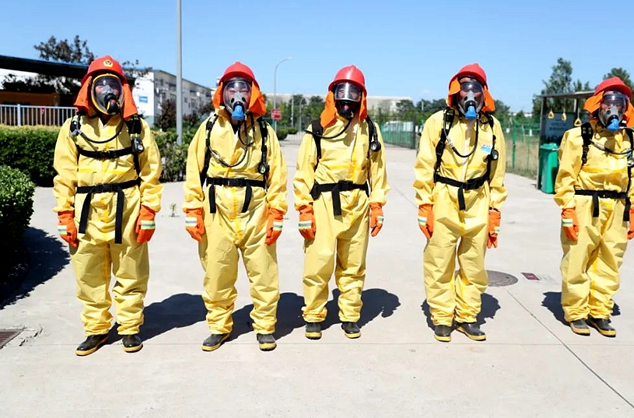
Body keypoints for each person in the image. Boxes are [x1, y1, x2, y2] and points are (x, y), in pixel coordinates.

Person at [53, 55, 163, 356]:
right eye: (101, 85)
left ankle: (129, 327)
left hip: (127, 209)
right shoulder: (74, 127)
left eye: (113, 85)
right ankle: (97, 329)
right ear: (90, 89)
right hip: (86, 210)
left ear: (122, 90)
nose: (108, 91)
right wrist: (65, 214)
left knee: (131, 270)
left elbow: (151, 172)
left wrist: (148, 211)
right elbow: (64, 174)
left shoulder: (136, 127)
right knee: (88, 272)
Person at [183, 62, 287, 352]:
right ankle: (219, 326)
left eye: (244, 88)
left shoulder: (264, 131)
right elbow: (193, 171)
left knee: (264, 273)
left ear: (253, 94)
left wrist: (276, 212)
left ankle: (265, 327)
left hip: (256, 211)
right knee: (217, 272)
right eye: (232, 88)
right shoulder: (208, 129)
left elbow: (277, 174)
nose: (237, 94)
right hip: (217, 211)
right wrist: (192, 210)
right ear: (222, 92)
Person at [293, 65, 389, 340]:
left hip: (358, 201)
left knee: (354, 264)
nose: (347, 98)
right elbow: (304, 171)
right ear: (333, 94)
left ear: (362, 96)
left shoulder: (370, 130)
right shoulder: (317, 129)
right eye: (342, 91)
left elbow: (378, 171)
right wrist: (304, 208)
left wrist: (377, 205)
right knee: (318, 261)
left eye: (354, 92)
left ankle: (349, 315)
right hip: (324, 201)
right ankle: (314, 315)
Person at [413, 63, 507, 343]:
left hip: (478, 199)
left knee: (474, 263)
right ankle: (442, 316)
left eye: (476, 89)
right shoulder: (438, 123)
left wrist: (494, 210)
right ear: (455, 92)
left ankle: (467, 316)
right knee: (439, 260)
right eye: (465, 88)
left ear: (484, 94)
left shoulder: (492, 127)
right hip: (444, 197)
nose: (470, 95)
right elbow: (424, 166)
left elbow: (497, 173)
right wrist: (425, 204)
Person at [554, 76, 634, 337]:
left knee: (610, 259)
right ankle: (576, 312)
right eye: (608, 102)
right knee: (577, 258)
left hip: (617, 206)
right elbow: (565, 176)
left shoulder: (630, 141)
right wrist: (567, 208)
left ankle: (600, 311)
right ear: (597, 105)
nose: (613, 108)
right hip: (585, 204)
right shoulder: (578, 137)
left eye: (620, 103)